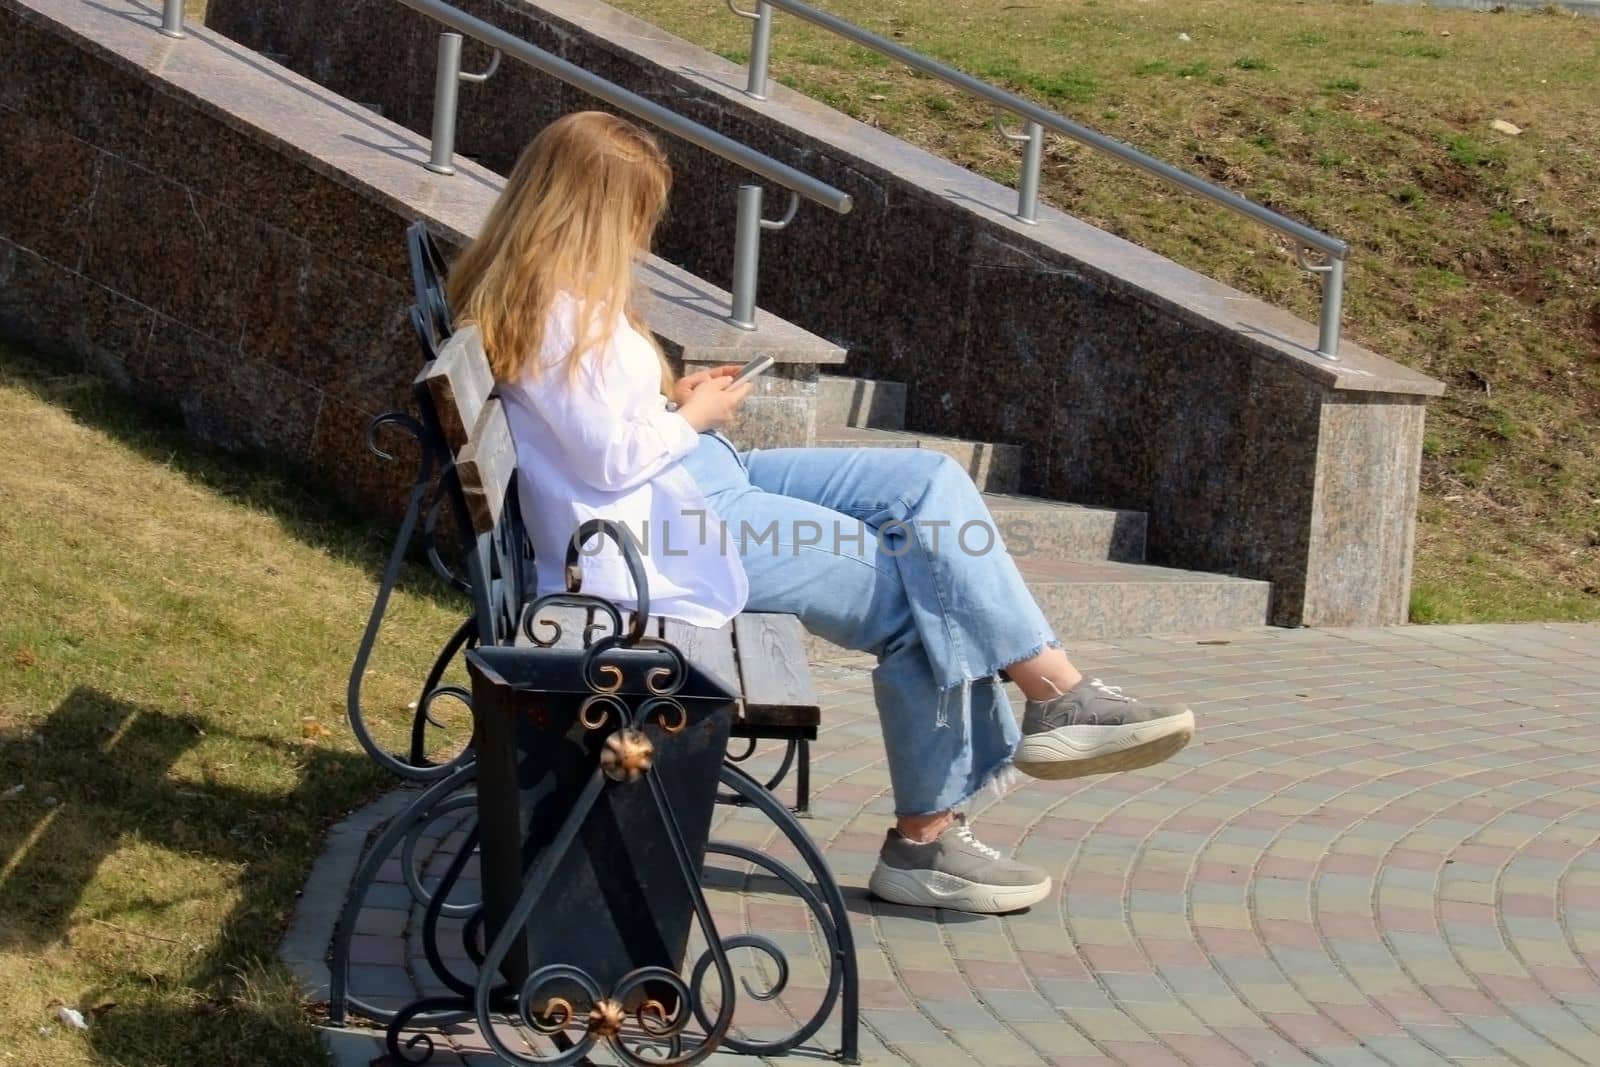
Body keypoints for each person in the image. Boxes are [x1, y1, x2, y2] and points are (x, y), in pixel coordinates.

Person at [447, 111, 1195, 915]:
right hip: (666, 528)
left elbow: (601, 431)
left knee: (930, 485)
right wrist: (691, 418)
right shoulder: (562, 314)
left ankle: (1053, 690)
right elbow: (607, 459)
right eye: (638, 214)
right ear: (594, 211)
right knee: (925, 590)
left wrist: (679, 401)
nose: (644, 234)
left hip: (689, 487)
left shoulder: (544, 294)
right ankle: (929, 838)